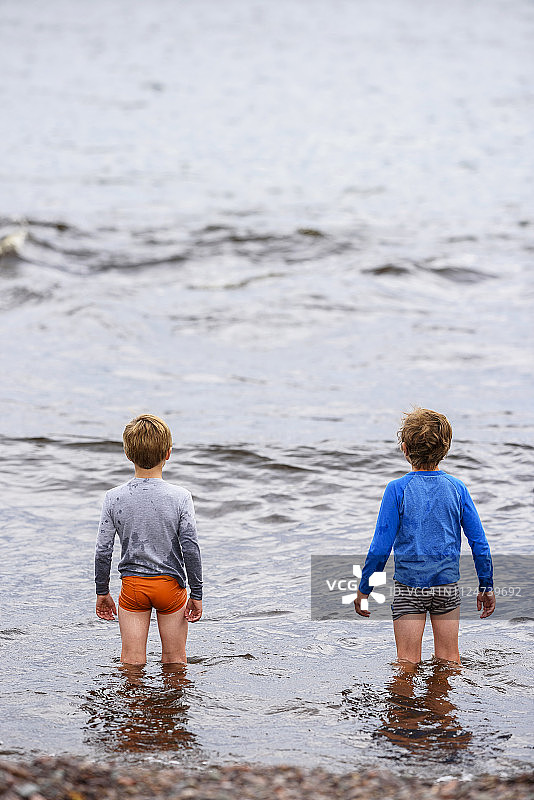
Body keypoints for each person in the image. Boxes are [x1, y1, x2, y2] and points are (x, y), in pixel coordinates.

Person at [354, 408, 495, 664]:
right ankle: (441, 704)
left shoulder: (397, 490)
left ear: (405, 449)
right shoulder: (457, 488)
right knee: (449, 660)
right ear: (446, 448)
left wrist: (365, 588)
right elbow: (479, 543)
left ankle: (402, 705)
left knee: (406, 664)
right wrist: (486, 585)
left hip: (409, 588)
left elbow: (380, 549)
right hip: (446, 587)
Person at [94, 414, 203, 666]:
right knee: (175, 660)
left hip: (133, 587)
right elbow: (191, 549)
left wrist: (102, 591)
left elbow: (103, 550)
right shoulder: (180, 497)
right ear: (168, 453)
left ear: (127, 454)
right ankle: (170, 705)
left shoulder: (113, 497)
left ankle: (134, 703)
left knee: (131, 661)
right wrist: (196, 593)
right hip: (170, 587)